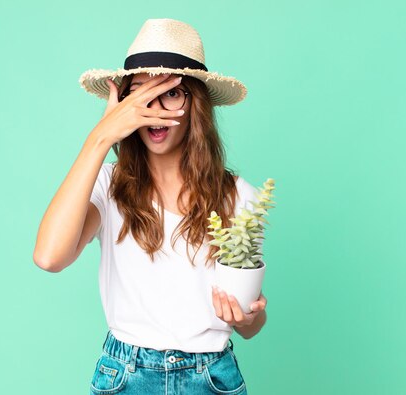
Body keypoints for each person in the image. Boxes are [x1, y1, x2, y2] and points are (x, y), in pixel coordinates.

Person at [33, 18, 267, 395]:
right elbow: (49, 257)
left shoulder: (240, 197)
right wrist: (101, 136)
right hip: (126, 375)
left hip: (211, 377)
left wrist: (250, 316)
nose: (153, 109)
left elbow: (251, 325)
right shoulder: (108, 185)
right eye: (140, 94)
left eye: (170, 93)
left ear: (196, 105)